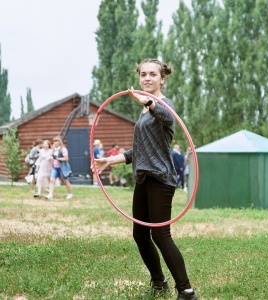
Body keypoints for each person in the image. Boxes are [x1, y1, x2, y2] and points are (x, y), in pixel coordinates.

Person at [93, 58, 198, 300]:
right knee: (140, 234)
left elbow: (168, 118)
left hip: (161, 179)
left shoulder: (163, 105)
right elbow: (138, 151)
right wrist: (110, 160)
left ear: (162, 78)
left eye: (152, 74)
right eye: (143, 74)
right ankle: (158, 282)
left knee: (161, 235)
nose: (147, 78)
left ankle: (186, 291)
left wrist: (150, 102)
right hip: (143, 178)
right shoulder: (144, 111)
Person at [45, 136, 73, 200]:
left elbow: (66, 158)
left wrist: (58, 158)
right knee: (52, 180)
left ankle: (70, 193)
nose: (54, 143)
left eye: (56, 141)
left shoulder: (63, 149)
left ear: (59, 142)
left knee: (65, 181)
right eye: (54, 141)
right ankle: (50, 194)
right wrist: (50, 158)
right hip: (55, 167)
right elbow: (52, 157)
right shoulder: (54, 149)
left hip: (62, 168)